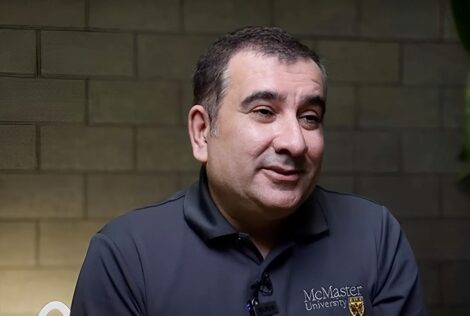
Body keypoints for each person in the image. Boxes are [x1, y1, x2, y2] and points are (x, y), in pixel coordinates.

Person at [70, 26, 425, 316]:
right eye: (264, 112)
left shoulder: (375, 235)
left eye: (309, 118)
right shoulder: (127, 255)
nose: (295, 143)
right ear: (201, 132)